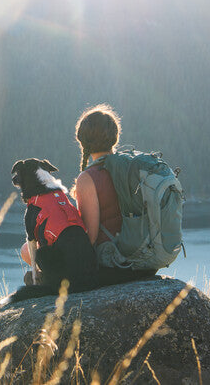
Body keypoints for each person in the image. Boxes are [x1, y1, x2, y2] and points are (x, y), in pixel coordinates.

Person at [73, 104, 158, 285]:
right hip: (144, 260)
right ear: (115, 137)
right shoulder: (131, 166)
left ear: (82, 140)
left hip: (113, 263)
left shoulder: (88, 178)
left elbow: (90, 237)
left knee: (30, 252)